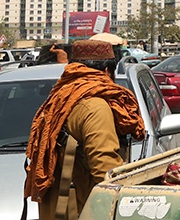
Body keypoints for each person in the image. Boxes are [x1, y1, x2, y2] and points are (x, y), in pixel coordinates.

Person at [25, 40, 145, 220]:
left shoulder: (61, 97)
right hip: (81, 211)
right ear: (107, 71)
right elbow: (106, 171)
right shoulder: (95, 108)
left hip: (57, 209)